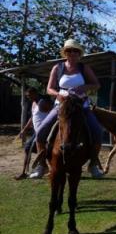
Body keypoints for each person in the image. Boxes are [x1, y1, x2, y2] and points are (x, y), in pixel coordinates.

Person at [31, 39, 104, 178]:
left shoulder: (84, 68)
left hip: (81, 106)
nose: (72, 53)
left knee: (97, 132)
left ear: (79, 53)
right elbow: (49, 89)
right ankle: (42, 166)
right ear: (65, 53)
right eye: (69, 50)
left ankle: (93, 164)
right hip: (61, 107)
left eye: (75, 50)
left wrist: (84, 87)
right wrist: (58, 94)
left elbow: (96, 84)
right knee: (40, 132)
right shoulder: (57, 68)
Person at [15, 88, 52, 179]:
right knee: (29, 148)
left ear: (35, 93)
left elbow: (52, 113)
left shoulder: (42, 102)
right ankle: (27, 171)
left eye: (29, 95)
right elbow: (32, 118)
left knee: (32, 148)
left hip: (44, 131)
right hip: (37, 132)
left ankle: (44, 167)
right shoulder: (34, 104)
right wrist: (24, 129)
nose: (28, 97)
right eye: (27, 96)